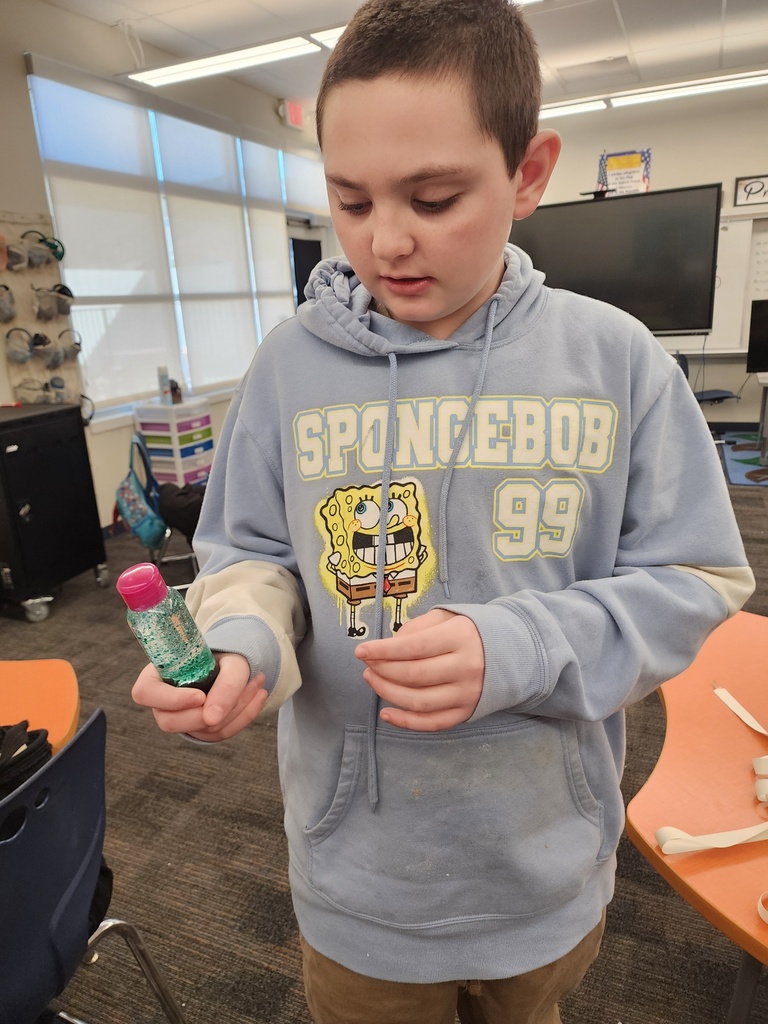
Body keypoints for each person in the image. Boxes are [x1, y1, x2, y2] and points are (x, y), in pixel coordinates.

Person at [132, 1, 755, 1021]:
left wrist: (521, 642)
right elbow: (249, 550)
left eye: (433, 197)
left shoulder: (618, 360)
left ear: (529, 172)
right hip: (362, 881)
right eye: (349, 198)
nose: (387, 241)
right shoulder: (290, 367)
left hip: (544, 866)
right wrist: (240, 641)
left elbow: (698, 577)